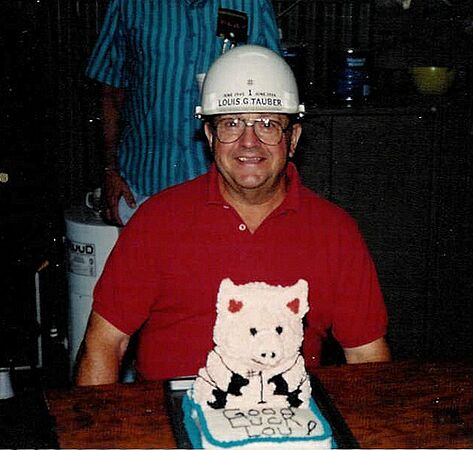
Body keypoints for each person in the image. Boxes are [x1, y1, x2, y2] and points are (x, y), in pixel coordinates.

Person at [76, 45, 390, 386]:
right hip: (171, 425)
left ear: (293, 138)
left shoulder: (335, 232)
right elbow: (104, 343)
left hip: (293, 426)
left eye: (268, 124)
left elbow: (366, 357)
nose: (248, 142)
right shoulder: (157, 221)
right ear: (210, 136)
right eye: (231, 124)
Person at [86, 0, 281, 225]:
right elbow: (109, 91)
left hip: (230, 193)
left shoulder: (252, 5)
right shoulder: (129, 5)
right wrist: (111, 170)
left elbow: (274, 96)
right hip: (145, 188)